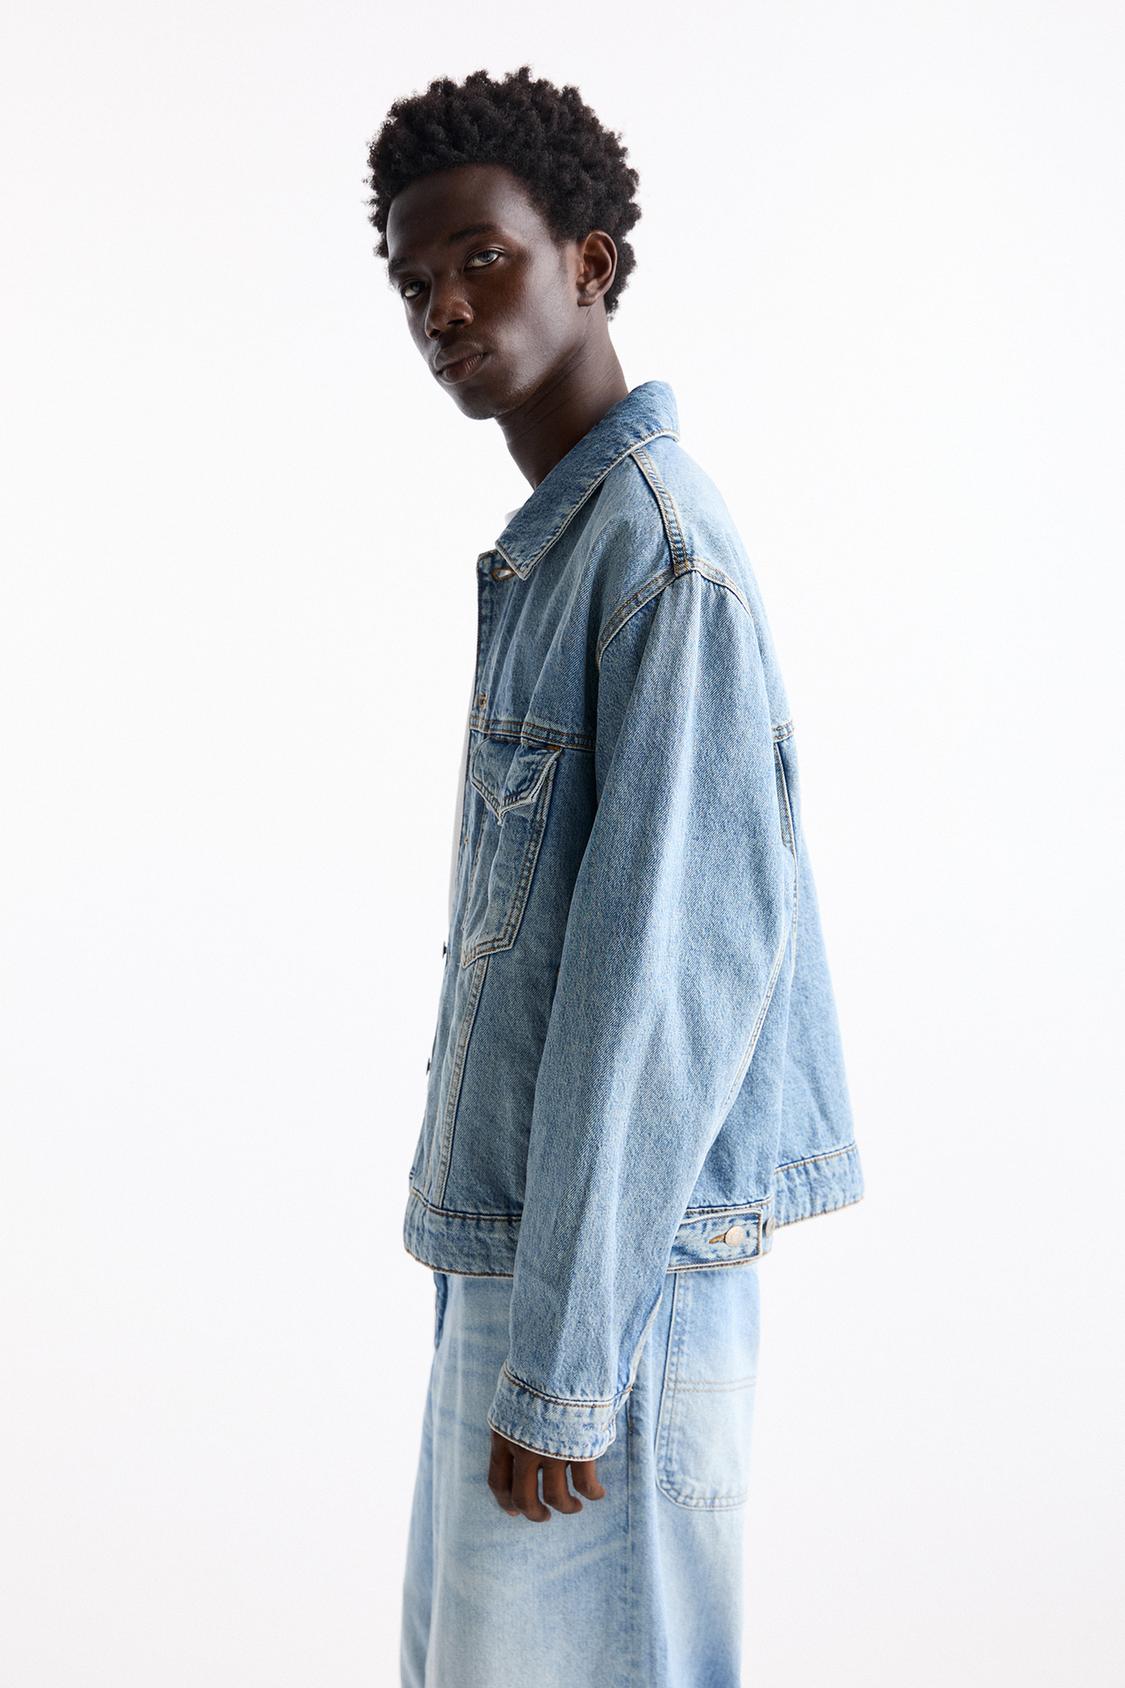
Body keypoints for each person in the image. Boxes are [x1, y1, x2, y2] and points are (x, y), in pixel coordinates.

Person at [365, 64, 864, 1688]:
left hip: (607, 1298)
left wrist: (569, 1367)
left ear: (586, 263)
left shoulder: (656, 559)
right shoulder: (564, 555)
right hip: (528, 1269)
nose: (444, 306)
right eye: (413, 281)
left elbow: (659, 989)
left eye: (481, 258)